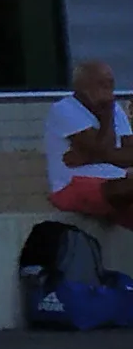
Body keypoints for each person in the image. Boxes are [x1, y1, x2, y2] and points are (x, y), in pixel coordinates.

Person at [45, 59, 133, 226]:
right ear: (82, 87)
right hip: (73, 186)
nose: (108, 89)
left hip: (117, 187)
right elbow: (102, 148)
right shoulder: (64, 108)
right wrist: (107, 117)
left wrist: (89, 157)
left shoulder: (115, 108)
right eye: (101, 83)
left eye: (111, 83)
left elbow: (129, 153)